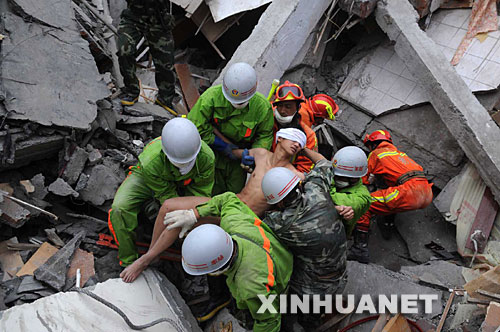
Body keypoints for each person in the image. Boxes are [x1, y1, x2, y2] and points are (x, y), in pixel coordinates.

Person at [118, 128, 306, 283]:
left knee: (183, 217)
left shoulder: (294, 175)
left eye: (301, 144)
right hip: (229, 201)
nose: (297, 144)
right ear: (279, 138)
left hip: (243, 216)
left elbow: (295, 202)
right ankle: (154, 252)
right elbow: (232, 152)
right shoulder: (261, 154)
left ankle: (145, 260)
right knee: (168, 205)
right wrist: (226, 145)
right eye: (294, 139)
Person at [108, 118, 215, 269]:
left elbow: (201, 196)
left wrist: (190, 215)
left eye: (188, 162)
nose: (185, 165)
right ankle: (129, 260)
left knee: (194, 218)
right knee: (120, 209)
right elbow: (166, 197)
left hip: (183, 183)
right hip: (147, 178)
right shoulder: (150, 160)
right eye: (180, 162)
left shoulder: (206, 158)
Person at [260, 150, 347, 329]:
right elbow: (325, 163)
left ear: (280, 203)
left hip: (315, 285)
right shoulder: (316, 189)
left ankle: (309, 322)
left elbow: (257, 223)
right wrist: (303, 149)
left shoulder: (282, 224)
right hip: (340, 266)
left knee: (306, 312)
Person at [182, 216, 292, 332]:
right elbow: (227, 200)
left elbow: (268, 320)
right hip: (281, 261)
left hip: (278, 286)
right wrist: (194, 213)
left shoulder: (250, 288)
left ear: (216, 270)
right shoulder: (234, 221)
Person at [188, 62, 274, 195]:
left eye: (240, 102)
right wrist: (220, 145)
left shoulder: (262, 108)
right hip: (211, 154)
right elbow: (194, 128)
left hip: (238, 161)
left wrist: (254, 155)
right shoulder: (210, 98)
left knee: (234, 196)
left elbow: (264, 135)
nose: (236, 104)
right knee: (209, 193)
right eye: (232, 101)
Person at [349, 130, 433, 263]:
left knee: (364, 204)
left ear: (373, 144)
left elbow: (364, 179)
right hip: (426, 192)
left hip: (408, 192)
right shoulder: (400, 154)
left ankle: (359, 249)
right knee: (388, 194)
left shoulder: (376, 153)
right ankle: (387, 223)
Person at [117, 0, 176, 113]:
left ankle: (165, 99)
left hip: (159, 19)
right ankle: (131, 91)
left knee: (166, 63)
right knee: (124, 51)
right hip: (134, 16)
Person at [271, 81, 318, 173]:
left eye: (288, 107)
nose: (282, 110)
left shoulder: (308, 136)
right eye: (280, 105)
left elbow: (305, 166)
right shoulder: (268, 119)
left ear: (298, 108)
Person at [329, 146, 372, 238]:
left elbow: (327, 197)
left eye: (342, 177)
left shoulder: (363, 197)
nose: (337, 179)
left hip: (337, 234)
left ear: (354, 178)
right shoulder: (332, 174)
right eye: (336, 176)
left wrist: (326, 182)